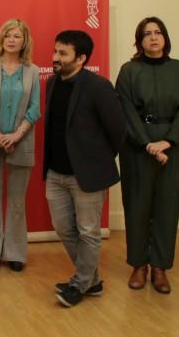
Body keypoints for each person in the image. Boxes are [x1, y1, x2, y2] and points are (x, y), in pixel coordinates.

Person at [43, 30, 126, 308]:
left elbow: (118, 130)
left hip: (86, 174)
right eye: (55, 51)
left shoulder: (98, 87)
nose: (55, 57)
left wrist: (96, 160)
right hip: (55, 172)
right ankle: (92, 280)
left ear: (80, 58)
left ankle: (80, 284)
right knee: (64, 228)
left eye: (62, 53)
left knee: (88, 232)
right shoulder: (52, 83)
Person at [116, 17, 179, 294]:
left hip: (174, 146)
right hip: (137, 146)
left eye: (158, 32)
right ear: (139, 40)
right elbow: (125, 109)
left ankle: (160, 267)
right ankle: (138, 265)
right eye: (147, 33)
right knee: (137, 205)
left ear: (165, 38)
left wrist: (169, 141)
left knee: (167, 205)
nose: (153, 37)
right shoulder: (129, 71)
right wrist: (147, 144)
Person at [0, 19, 40, 272]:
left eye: (17, 36)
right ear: (1, 39)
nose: (12, 40)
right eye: (8, 35)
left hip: (21, 141)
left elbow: (35, 108)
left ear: (25, 42)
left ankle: (15, 253)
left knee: (16, 201)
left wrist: (15, 135)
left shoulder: (33, 71)